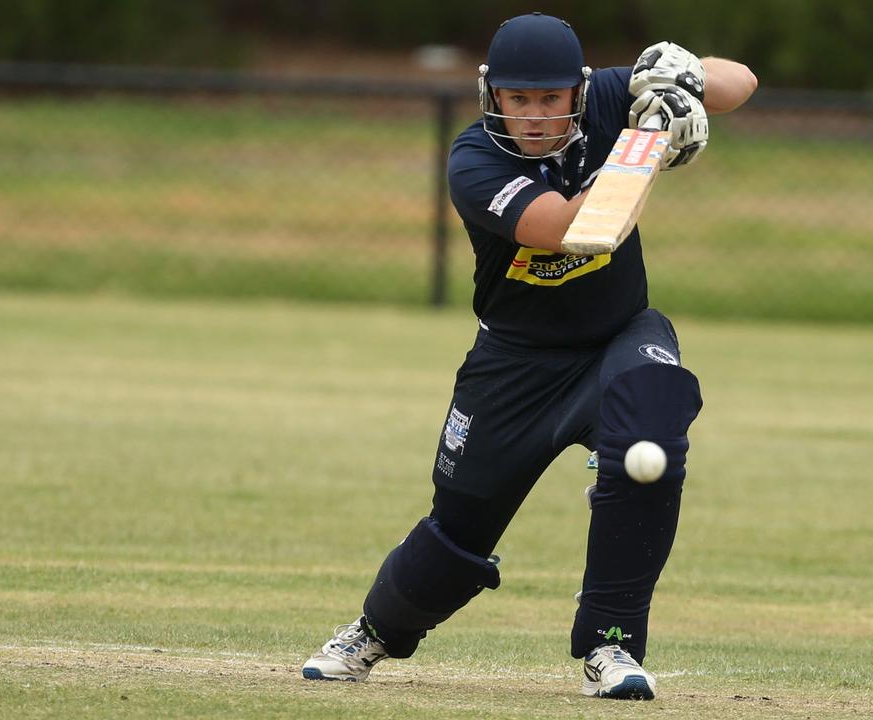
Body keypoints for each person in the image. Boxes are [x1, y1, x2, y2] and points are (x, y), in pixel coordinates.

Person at [301, 13, 757, 700]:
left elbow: (741, 82)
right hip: (515, 364)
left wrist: (681, 78)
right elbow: (579, 229)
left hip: (617, 336)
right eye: (520, 100)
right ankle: (375, 629)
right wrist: (649, 144)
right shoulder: (473, 161)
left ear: (575, 90)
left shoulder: (607, 95)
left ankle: (613, 649)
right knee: (459, 527)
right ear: (493, 95)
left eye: (550, 99)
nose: (537, 117)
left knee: (651, 429)